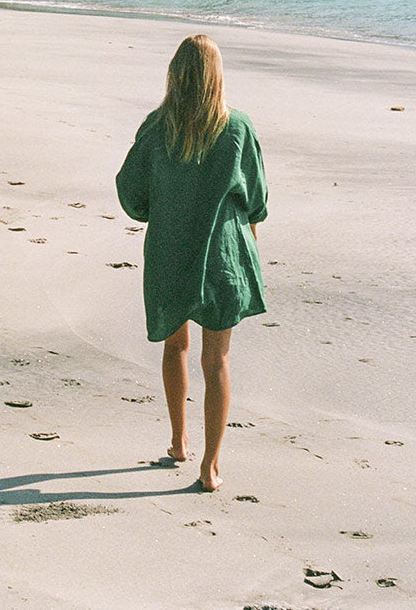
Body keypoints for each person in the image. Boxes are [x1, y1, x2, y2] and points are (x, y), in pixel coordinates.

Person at [115, 34, 268, 492]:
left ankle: (179, 441)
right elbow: (256, 201)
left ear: (174, 76)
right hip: (222, 257)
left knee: (174, 347)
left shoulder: (156, 127)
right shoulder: (237, 127)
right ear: (217, 77)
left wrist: (163, 208)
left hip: (169, 250)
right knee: (216, 358)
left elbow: (130, 194)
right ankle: (210, 466)